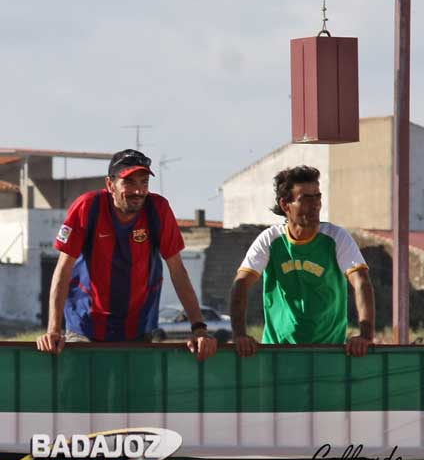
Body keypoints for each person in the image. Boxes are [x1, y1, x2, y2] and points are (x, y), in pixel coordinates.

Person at [36, 149, 217, 361]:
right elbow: (63, 271)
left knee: (137, 394)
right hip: (86, 325)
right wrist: (53, 330)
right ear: (110, 184)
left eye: (144, 183)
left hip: (137, 328)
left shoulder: (158, 209)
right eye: (129, 182)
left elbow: (178, 271)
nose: (138, 191)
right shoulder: (87, 207)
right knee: (83, 392)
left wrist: (199, 329)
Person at [230, 165, 375, 357]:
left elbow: (361, 281)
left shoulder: (336, 237)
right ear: (285, 205)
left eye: (318, 196)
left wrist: (365, 335)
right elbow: (241, 284)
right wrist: (240, 335)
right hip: (277, 352)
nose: (315, 204)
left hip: (329, 353)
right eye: (305, 198)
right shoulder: (270, 239)